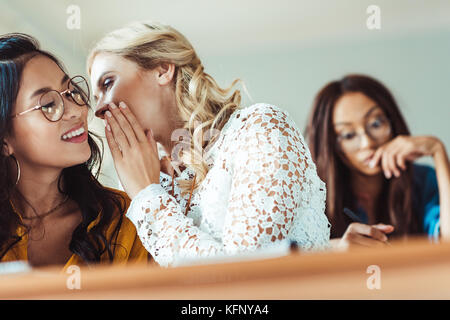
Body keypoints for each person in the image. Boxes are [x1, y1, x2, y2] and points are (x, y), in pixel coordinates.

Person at [87, 21, 331, 267]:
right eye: (95, 98)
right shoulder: (145, 179)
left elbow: (244, 276)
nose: (99, 109)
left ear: (162, 70)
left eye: (107, 83)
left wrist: (147, 197)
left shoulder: (260, 128)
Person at [0, 33, 149, 270]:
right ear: (5, 139)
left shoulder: (125, 218)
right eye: (48, 104)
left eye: (71, 92)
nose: (76, 111)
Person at [305, 74, 450, 248]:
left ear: (393, 122)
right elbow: (278, 256)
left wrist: (437, 151)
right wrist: (333, 248)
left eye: (375, 124)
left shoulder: (423, 180)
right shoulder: (311, 198)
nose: (368, 142)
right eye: (349, 135)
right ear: (331, 146)